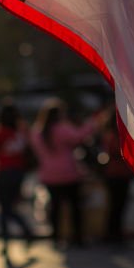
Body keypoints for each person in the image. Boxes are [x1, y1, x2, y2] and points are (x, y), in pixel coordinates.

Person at [30, 98, 96, 248]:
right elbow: (79, 136)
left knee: (55, 207)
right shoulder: (62, 129)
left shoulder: (37, 132)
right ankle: (76, 238)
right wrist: (91, 124)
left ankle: (56, 237)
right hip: (68, 173)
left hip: (48, 174)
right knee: (74, 207)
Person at [0, 99, 35, 254]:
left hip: (4, 171)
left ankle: (10, 237)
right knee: (10, 205)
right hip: (18, 172)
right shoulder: (21, 131)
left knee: (4, 207)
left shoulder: (1, 132)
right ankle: (24, 231)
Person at [98, 104, 133, 245]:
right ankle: (115, 233)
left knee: (114, 205)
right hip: (120, 173)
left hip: (112, 173)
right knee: (118, 205)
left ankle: (113, 233)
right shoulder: (117, 136)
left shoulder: (107, 135)